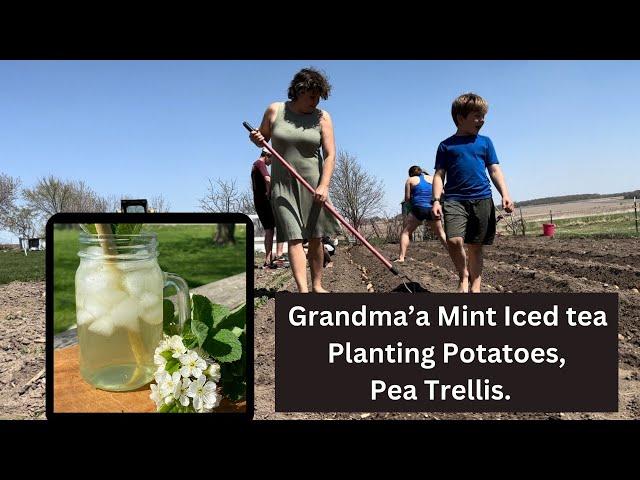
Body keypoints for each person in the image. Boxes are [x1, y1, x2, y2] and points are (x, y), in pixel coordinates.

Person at [249, 67, 340, 293]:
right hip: (283, 185)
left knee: (316, 237)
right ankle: (303, 290)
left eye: (319, 97)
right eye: (312, 96)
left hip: (313, 184)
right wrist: (256, 138)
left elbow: (330, 154)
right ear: (299, 91)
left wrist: (324, 185)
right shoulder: (275, 110)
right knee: (294, 237)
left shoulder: (322, 117)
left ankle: (317, 285)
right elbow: (262, 139)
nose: (315, 101)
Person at [431, 93, 514, 293]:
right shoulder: (446, 145)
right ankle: (463, 275)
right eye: (477, 116)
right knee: (454, 240)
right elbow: (439, 175)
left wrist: (505, 193)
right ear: (460, 118)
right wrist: (436, 200)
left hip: (482, 198)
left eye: (483, 115)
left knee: (476, 246)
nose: (482, 120)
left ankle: (475, 285)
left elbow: (494, 169)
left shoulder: (485, 142)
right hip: (454, 200)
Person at [397, 165, 447, 262]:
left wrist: (409, 210)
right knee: (441, 233)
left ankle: (401, 258)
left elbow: (407, 199)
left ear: (410, 173)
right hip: (432, 208)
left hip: (418, 208)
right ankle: (453, 253)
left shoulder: (410, 180)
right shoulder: (433, 178)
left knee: (406, 233)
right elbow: (442, 193)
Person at [251, 148, 284, 268]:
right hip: (265, 202)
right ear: (267, 155)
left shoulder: (255, 165)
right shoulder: (260, 164)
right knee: (281, 224)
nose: (272, 163)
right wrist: (270, 193)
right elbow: (267, 179)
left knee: (269, 229)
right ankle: (278, 256)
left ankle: (268, 259)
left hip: (259, 202)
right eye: (272, 159)